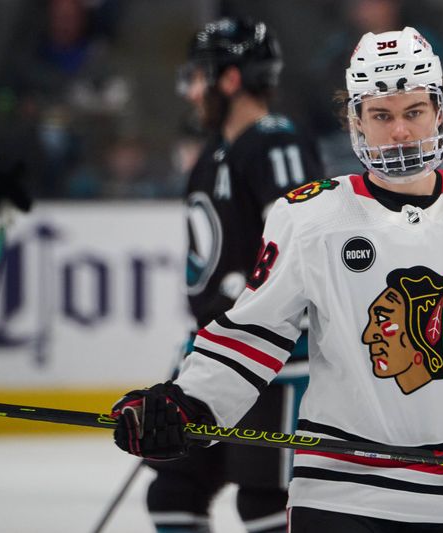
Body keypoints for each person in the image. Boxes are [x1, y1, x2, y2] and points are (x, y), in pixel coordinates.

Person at [111, 27, 443, 531]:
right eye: (380, 114)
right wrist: (189, 401)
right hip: (341, 496)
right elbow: (252, 335)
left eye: (415, 111)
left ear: (442, 113)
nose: (398, 130)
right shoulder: (310, 217)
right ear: (355, 120)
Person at [134, 18, 322, 533]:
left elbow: (306, 243)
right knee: (175, 488)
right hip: (216, 357)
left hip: (275, 362)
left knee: (266, 501)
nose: (193, 91)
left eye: (200, 76)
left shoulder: (275, 142)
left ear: (232, 79)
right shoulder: (215, 153)